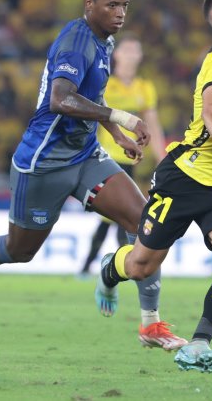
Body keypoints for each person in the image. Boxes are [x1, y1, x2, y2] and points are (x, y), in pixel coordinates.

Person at [0, 0, 186, 351]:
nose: (119, 13)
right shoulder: (75, 41)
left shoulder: (104, 40)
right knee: (20, 250)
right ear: (89, 4)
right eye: (111, 5)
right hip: (42, 164)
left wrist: (114, 133)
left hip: (85, 156)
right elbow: (62, 99)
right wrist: (123, 117)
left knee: (146, 221)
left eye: (124, 5)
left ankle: (151, 323)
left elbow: (90, 96)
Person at [94, 0, 212, 374]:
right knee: (140, 265)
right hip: (184, 178)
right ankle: (110, 268)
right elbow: (211, 112)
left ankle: (199, 343)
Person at [79, 36, 168, 277]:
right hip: (103, 156)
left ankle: (93, 267)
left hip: (130, 160)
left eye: (135, 50)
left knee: (113, 217)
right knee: (123, 215)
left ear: (140, 57)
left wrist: (162, 159)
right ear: (116, 54)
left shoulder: (144, 88)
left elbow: (153, 125)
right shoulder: (105, 82)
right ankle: (121, 267)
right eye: (127, 49)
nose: (131, 54)